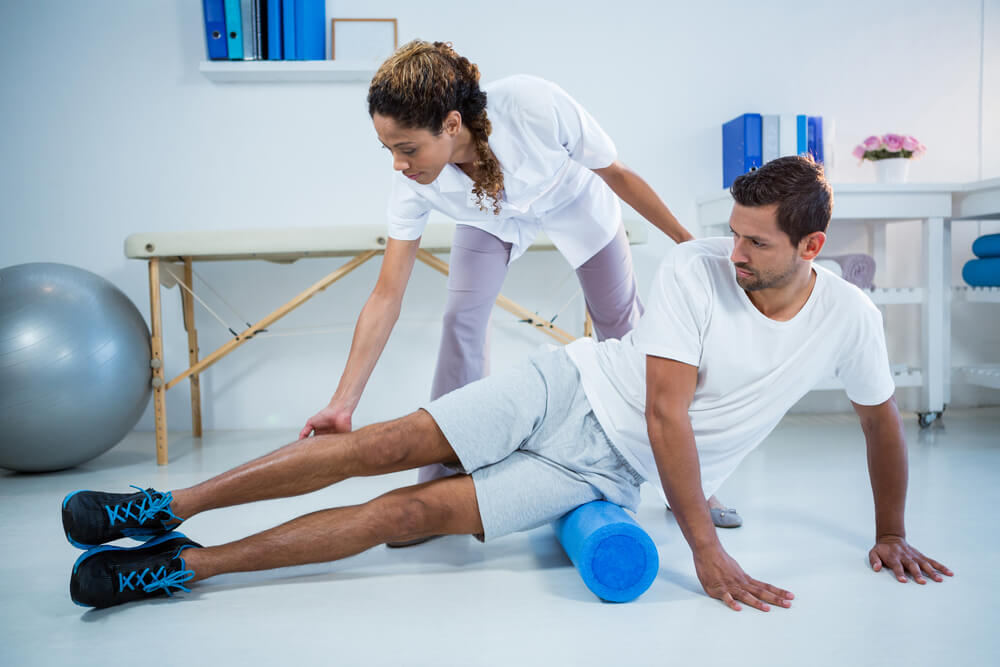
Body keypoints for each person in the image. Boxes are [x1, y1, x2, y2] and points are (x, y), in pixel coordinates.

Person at [63, 156, 950, 610]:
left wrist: (891, 531)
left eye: (756, 241)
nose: (735, 251)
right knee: (379, 445)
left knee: (407, 514)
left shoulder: (850, 319)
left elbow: (881, 424)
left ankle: (182, 566)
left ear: (811, 248)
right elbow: (665, 412)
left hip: (599, 474)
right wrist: (704, 548)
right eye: (734, 231)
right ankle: (162, 504)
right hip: (565, 386)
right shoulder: (697, 268)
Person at [294, 41, 738, 530]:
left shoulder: (532, 105)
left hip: (574, 200)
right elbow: (386, 295)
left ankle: (690, 484)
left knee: (623, 329)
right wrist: (343, 404)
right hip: (489, 219)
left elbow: (616, 173)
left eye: (407, 148)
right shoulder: (413, 183)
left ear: (451, 124)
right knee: (461, 322)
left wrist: (687, 243)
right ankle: (440, 480)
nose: (398, 164)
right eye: (389, 150)